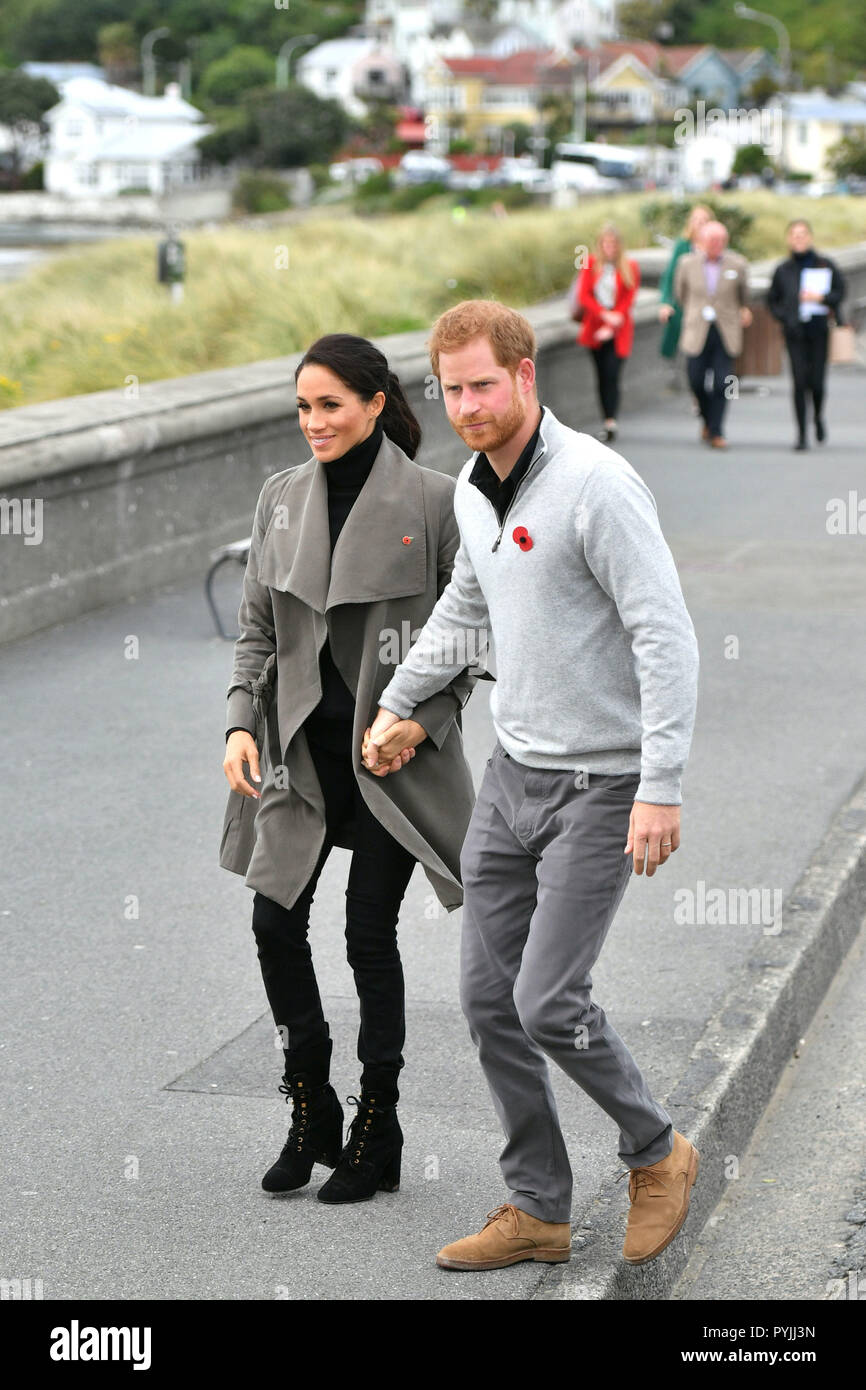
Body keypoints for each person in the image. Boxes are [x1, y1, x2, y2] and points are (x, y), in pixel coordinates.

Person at [365, 300, 701, 1271]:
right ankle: (538, 1208)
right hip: (510, 778)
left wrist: (661, 783)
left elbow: (662, 634)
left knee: (546, 999)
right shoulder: (472, 488)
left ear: (523, 376)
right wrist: (399, 702)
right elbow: (466, 609)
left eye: (481, 384)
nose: (466, 404)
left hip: (600, 785)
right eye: (450, 388)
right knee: (485, 1002)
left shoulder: (596, 485)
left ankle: (655, 1151)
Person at [220, 334, 478, 1204]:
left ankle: (379, 1121)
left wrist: (421, 722)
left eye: (330, 404)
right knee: (272, 924)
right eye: (302, 407)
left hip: (389, 764)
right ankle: (311, 1105)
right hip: (302, 755)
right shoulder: (279, 499)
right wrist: (237, 724)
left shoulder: (440, 501)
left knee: (368, 935)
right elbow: (257, 631)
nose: (314, 422)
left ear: (375, 403)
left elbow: (467, 646)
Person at [767, 217, 847, 450]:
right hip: (795, 332)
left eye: (803, 234)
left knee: (818, 383)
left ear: (810, 237)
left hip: (819, 330)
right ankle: (802, 434)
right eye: (795, 235)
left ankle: (818, 417)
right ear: (789, 239)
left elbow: (840, 292)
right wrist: (785, 316)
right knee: (800, 382)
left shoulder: (825, 264)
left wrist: (820, 298)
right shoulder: (783, 269)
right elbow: (773, 300)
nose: (799, 239)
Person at [674, 220, 752, 449]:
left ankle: (717, 431)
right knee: (696, 380)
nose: (716, 244)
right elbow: (681, 294)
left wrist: (741, 312)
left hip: (725, 330)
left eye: (720, 240)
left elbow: (744, 296)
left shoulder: (737, 264)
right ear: (702, 241)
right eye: (711, 240)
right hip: (697, 330)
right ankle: (707, 420)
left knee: (722, 383)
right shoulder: (687, 264)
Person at [575, 223, 640, 443]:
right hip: (595, 327)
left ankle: (612, 421)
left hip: (619, 330)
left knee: (613, 374)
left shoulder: (629, 266)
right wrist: (603, 315)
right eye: (606, 244)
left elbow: (629, 298)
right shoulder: (590, 264)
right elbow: (584, 295)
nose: (609, 248)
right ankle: (606, 419)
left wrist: (612, 323)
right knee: (601, 375)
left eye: (613, 244)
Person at [658, 204, 712, 365]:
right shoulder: (683, 246)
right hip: (686, 303)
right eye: (695, 219)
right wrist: (665, 302)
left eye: (704, 220)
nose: (699, 223)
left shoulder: (716, 245)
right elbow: (670, 275)